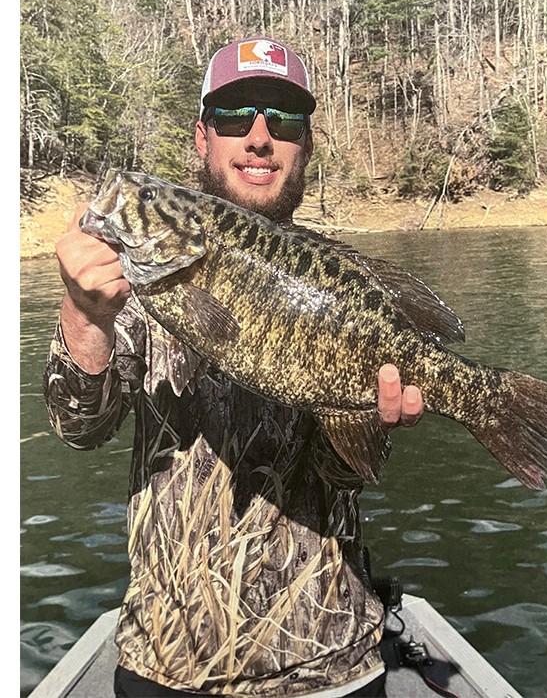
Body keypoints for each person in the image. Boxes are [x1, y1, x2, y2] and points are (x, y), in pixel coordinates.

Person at [43, 37, 424, 698]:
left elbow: (347, 469)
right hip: (167, 667)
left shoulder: (340, 285)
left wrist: (371, 419)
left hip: (330, 666)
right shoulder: (140, 280)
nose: (257, 138)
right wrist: (84, 315)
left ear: (305, 146)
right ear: (201, 137)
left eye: (282, 121)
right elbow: (78, 426)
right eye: (233, 117)